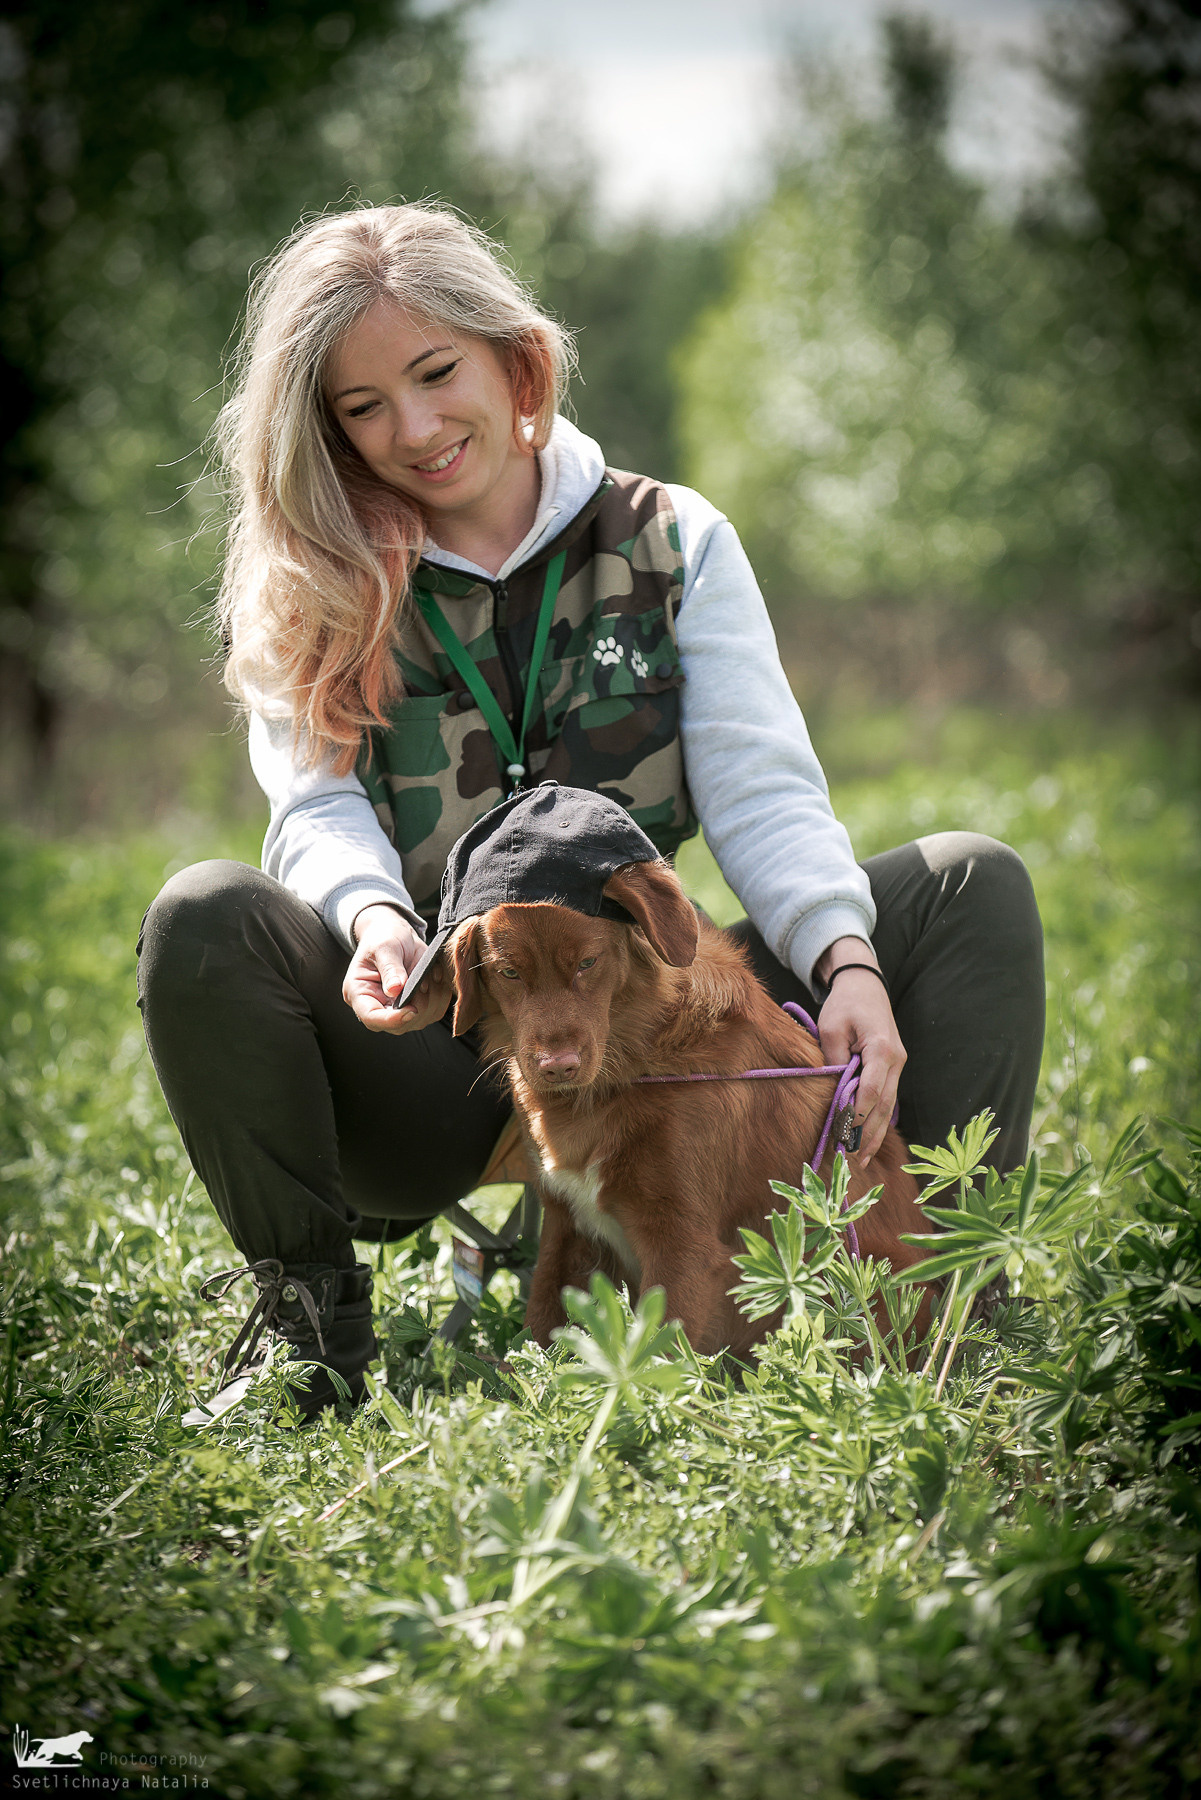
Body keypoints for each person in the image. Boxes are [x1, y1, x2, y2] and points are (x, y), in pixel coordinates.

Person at [136, 202, 1045, 1422]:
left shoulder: (670, 538)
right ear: (322, 427)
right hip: (439, 1038)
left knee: (965, 879)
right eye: (360, 407)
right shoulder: (319, 571)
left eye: (434, 372)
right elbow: (313, 806)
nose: (411, 429)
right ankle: (307, 1337)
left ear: (515, 358)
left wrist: (844, 957)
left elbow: (759, 788)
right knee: (204, 914)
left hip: (649, 1032)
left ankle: (944, 1309)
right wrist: (371, 920)